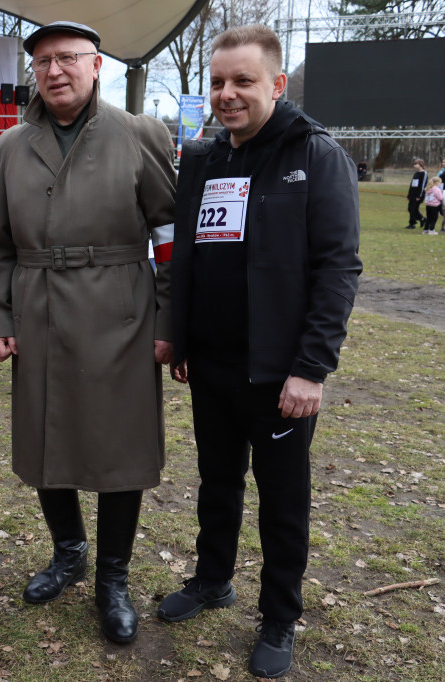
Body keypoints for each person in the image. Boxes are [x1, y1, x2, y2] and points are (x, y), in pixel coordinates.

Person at [161, 25, 361, 679]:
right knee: (216, 486)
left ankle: (280, 616)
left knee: (282, 503)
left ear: (276, 85)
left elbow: (337, 268)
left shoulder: (316, 155)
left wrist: (312, 368)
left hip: (279, 374)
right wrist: (182, 336)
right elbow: (187, 257)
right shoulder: (203, 158)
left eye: (243, 81)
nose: (227, 94)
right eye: (218, 82)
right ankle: (212, 579)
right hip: (211, 365)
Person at [0, 21, 176, 644]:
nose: (54, 71)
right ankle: (69, 552)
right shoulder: (11, 144)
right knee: (46, 439)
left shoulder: (140, 133)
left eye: (67, 59)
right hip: (38, 310)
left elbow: (168, 232)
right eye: (42, 61)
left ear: (96, 66)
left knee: (122, 450)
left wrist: (168, 320)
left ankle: (113, 577)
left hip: (121, 308)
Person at [405, 158, 427, 229]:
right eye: (414, 164)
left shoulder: (424, 173)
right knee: (410, 209)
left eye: (416, 164)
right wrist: (409, 194)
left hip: (418, 195)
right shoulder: (416, 173)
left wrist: (419, 196)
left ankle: (412, 223)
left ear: (420, 164)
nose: (414, 166)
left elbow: (423, 186)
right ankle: (422, 219)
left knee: (414, 209)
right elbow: (412, 185)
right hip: (412, 194)